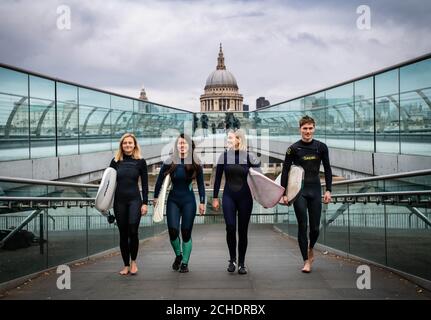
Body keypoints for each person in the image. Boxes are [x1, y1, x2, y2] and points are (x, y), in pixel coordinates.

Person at [280, 115, 332, 273]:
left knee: (315, 228)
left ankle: (311, 248)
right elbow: (286, 170)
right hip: (299, 192)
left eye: (310, 128)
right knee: (302, 225)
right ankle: (306, 261)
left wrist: (328, 190)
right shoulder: (293, 149)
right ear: (300, 129)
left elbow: (328, 169)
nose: (307, 131)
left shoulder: (321, 147)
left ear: (314, 128)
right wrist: (284, 193)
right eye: (305, 128)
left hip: (315, 189)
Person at [153, 133, 205, 273]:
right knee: (173, 231)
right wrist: (156, 197)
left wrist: (202, 202)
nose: (182, 146)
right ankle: (178, 255)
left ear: (190, 146)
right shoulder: (170, 161)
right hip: (173, 201)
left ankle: (185, 263)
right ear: (177, 146)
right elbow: (159, 181)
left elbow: (201, 184)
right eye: (180, 143)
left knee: (186, 232)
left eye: (185, 143)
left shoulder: (195, 162)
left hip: (188, 201)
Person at [212, 129, 260, 275]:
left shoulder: (249, 157)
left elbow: (260, 179)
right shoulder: (224, 156)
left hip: (245, 197)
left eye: (230, 137)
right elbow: (218, 178)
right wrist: (215, 197)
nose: (228, 139)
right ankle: (232, 259)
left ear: (239, 139)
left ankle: (242, 263)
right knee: (231, 227)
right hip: (228, 196)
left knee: (243, 231)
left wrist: (265, 197)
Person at [109, 133, 148, 275]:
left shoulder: (140, 161)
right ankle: (125, 264)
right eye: (125, 143)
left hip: (134, 200)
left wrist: (145, 203)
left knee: (133, 230)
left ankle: (134, 262)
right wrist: (105, 203)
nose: (127, 145)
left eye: (130, 143)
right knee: (123, 234)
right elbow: (108, 184)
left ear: (134, 145)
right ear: (121, 145)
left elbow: (144, 184)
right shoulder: (115, 161)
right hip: (119, 201)